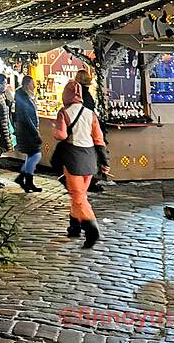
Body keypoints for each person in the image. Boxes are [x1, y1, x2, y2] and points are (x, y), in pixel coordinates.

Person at [52, 80, 110, 248]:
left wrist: (55, 129)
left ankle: (91, 229)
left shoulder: (64, 112)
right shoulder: (90, 114)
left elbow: (62, 135)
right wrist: (104, 162)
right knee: (79, 195)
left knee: (78, 197)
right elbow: (99, 139)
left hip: (73, 158)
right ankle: (74, 226)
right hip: (90, 157)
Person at [74, 69, 104, 193]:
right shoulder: (85, 95)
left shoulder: (77, 93)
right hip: (87, 129)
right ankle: (89, 183)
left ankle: (85, 181)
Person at [13, 76, 43, 192]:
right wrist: (35, 132)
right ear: (26, 84)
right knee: (35, 155)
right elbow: (26, 117)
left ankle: (24, 180)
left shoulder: (25, 96)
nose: (34, 86)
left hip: (27, 130)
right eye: (32, 84)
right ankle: (25, 179)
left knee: (31, 155)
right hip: (27, 131)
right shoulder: (23, 98)